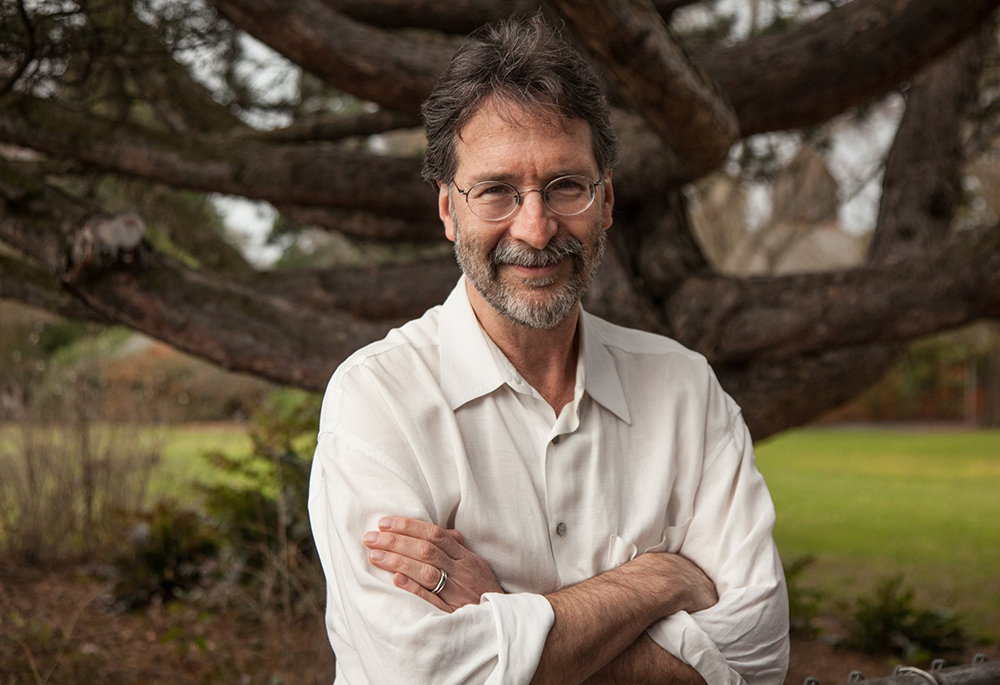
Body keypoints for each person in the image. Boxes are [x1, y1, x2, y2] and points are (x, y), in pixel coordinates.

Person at [309, 15, 789, 685]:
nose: (535, 229)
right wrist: (658, 579)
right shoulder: (377, 399)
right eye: (498, 190)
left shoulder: (685, 388)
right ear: (448, 209)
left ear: (607, 202)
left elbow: (757, 655)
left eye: (565, 185)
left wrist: (501, 620)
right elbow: (422, 672)